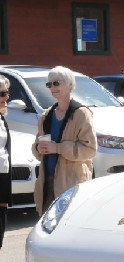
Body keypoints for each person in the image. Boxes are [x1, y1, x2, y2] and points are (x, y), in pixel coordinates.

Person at [31, 66, 97, 216]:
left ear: (70, 84)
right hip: (47, 182)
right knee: (48, 228)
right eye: (49, 84)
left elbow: (90, 149)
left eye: (56, 83)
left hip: (72, 183)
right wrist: (38, 148)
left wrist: (58, 148)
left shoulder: (81, 113)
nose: (52, 87)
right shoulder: (46, 115)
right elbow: (36, 147)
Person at [0, 75, 17, 262]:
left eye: (6, 93)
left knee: (0, 224)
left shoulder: (2, 117)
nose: (6, 97)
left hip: (2, 174)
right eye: (2, 94)